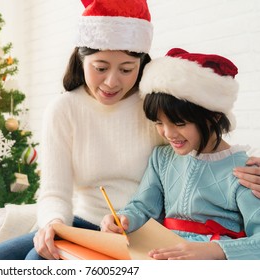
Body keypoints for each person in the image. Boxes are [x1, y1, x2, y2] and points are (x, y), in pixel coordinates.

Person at [0, 0, 260, 260]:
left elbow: (206, 144)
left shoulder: (155, 104)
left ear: (141, 64)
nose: (111, 82)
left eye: (126, 69)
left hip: (145, 232)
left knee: (36, 262)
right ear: (81, 60)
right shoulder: (64, 109)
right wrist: (53, 225)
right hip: (84, 224)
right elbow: (55, 191)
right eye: (100, 67)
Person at [100, 48, 260, 260]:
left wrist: (214, 251)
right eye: (158, 123)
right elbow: (142, 206)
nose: (168, 134)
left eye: (179, 123)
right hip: (160, 252)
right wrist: (122, 219)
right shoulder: (162, 158)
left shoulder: (244, 170)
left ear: (213, 116)